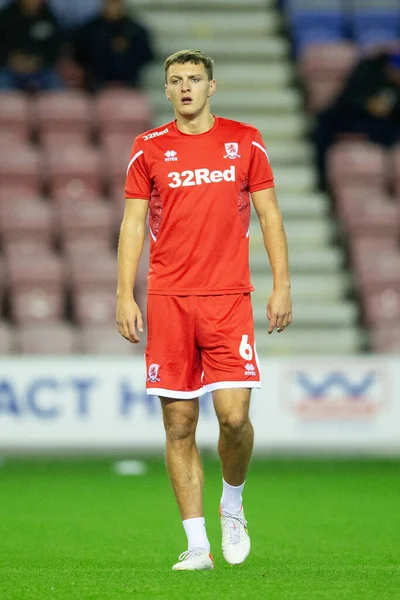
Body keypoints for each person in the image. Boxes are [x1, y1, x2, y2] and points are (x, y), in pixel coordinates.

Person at [116, 49, 292, 571]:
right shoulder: (147, 148)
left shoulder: (245, 140)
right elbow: (131, 224)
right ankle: (197, 544)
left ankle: (232, 504)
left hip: (228, 299)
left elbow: (270, 216)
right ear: (166, 90)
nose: (186, 87)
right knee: (179, 425)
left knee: (234, 419)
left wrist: (281, 284)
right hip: (169, 300)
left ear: (212, 87)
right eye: (176, 80)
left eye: (195, 79)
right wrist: (124, 292)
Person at [315, 49, 400, 188]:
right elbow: (349, 96)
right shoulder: (368, 69)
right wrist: (369, 104)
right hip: (352, 116)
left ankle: (389, 183)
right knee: (324, 124)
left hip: (384, 124)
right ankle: (322, 179)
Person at [72, 0, 153, 91]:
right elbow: (80, 56)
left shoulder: (135, 30)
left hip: (128, 86)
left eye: (116, 3)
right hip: (96, 87)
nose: (113, 7)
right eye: (109, 3)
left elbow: (146, 55)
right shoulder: (89, 30)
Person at [0, 0, 64, 90]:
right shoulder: (5, 17)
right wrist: (10, 59)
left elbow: (55, 48)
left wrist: (38, 61)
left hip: (40, 68)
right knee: (3, 85)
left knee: (56, 88)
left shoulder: (49, 17)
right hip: (9, 68)